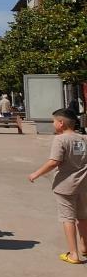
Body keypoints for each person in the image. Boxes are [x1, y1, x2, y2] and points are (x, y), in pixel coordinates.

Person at [28, 108, 87, 264]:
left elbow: (54, 161)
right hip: (83, 184)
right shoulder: (83, 138)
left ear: (61, 123)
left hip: (65, 185)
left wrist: (36, 174)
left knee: (68, 218)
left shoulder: (60, 140)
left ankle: (73, 254)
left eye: (53, 121)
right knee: (82, 217)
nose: (53, 124)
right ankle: (84, 247)